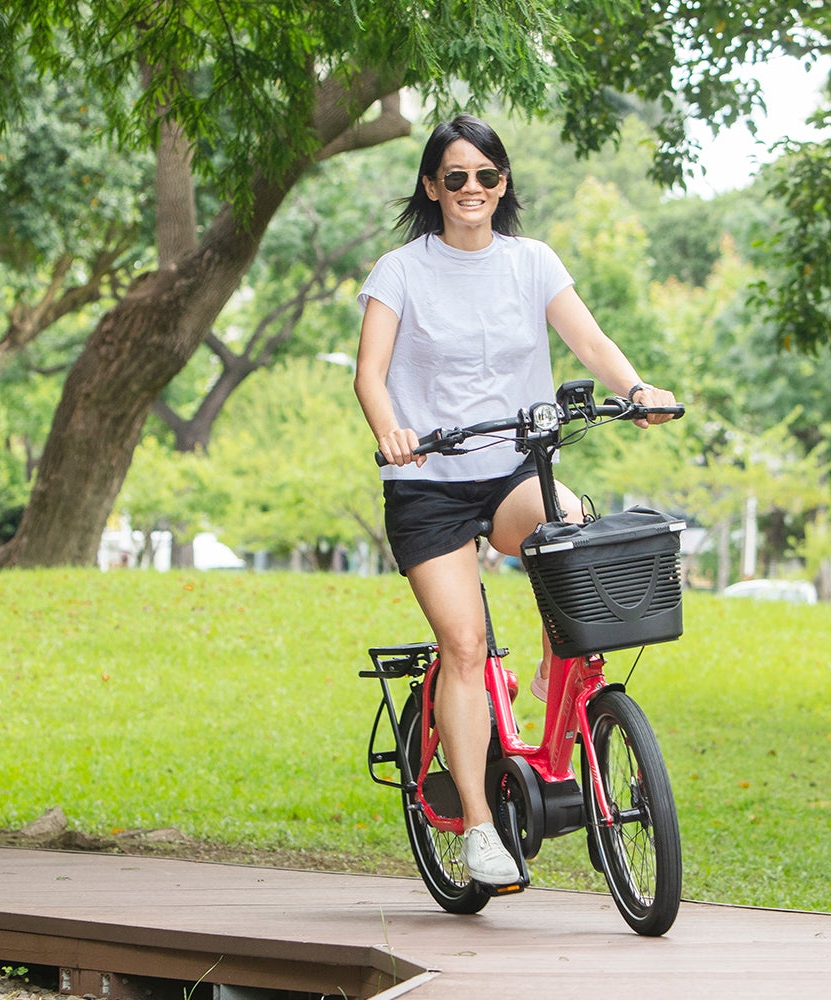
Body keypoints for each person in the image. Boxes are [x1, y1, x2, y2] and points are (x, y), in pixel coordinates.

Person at [353, 115, 677, 887]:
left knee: (572, 522)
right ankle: (476, 824)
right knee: (463, 648)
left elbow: (589, 343)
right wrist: (393, 430)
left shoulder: (532, 263)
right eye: (455, 177)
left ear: (505, 185)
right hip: (428, 482)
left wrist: (634, 388)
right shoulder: (401, 270)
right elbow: (370, 373)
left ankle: (550, 661)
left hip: (511, 470)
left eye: (487, 176)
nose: (472, 190)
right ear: (432, 187)